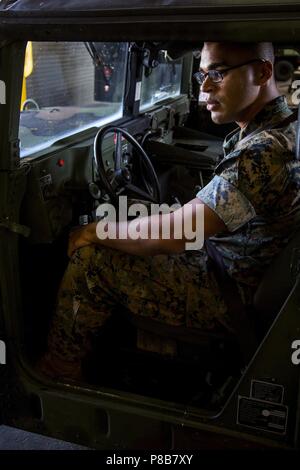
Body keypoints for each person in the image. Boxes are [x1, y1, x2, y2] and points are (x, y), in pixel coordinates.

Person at [39, 42, 300, 380]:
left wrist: (94, 231)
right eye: (202, 74)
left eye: (218, 73)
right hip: (240, 264)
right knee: (138, 219)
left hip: (228, 293)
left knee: (93, 259)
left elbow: (179, 233)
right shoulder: (283, 128)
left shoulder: (264, 151)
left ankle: (57, 374)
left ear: (263, 72)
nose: (204, 87)